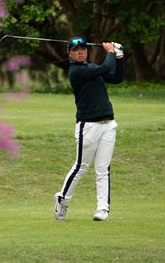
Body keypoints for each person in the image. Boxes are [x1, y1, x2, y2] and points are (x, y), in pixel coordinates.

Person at [54, 37, 124, 221]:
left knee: (103, 170)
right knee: (81, 167)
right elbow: (106, 68)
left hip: (108, 124)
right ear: (69, 53)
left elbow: (117, 78)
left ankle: (102, 209)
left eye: (83, 48)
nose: (80, 51)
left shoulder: (91, 68)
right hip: (88, 126)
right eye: (76, 49)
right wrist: (110, 52)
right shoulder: (76, 71)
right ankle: (62, 200)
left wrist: (120, 55)